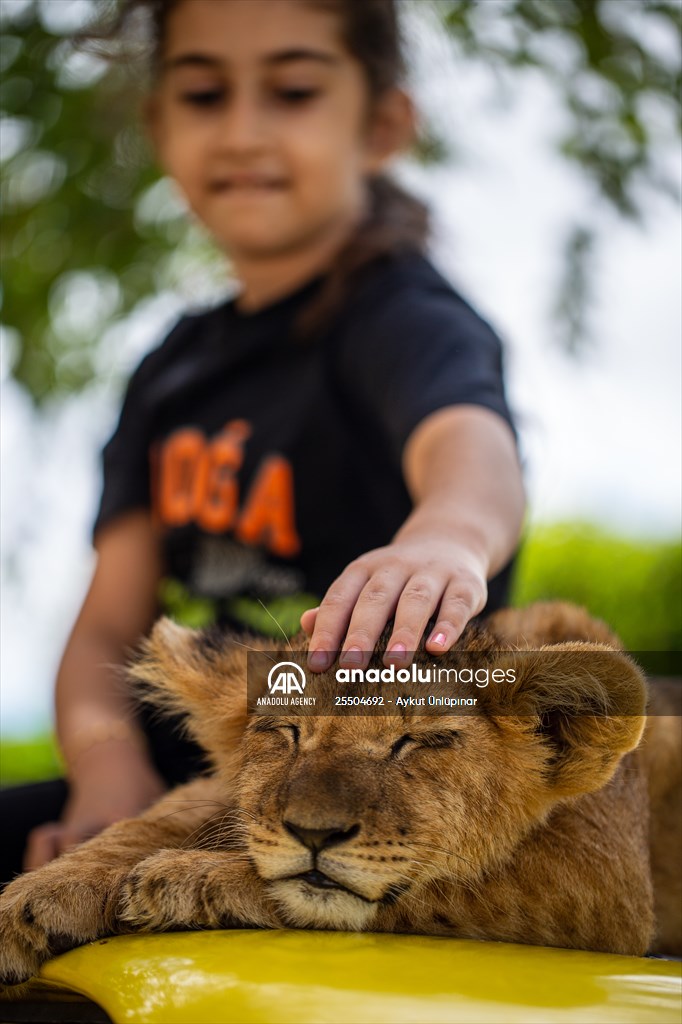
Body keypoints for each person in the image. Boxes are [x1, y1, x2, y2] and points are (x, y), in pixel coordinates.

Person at [1, 0, 524, 886]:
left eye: (292, 91)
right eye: (204, 95)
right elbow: (103, 629)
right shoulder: (171, 369)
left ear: (383, 124)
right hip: (189, 762)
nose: (243, 131)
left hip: (364, 784)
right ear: (158, 126)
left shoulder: (402, 316)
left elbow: (474, 454)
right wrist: (106, 767)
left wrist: (446, 539)